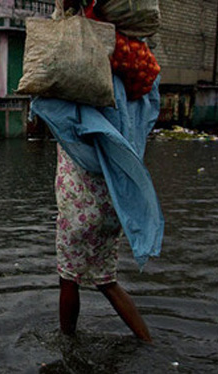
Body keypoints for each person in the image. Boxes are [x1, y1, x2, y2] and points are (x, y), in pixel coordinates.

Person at [33, 0, 163, 343]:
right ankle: (147, 341)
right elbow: (151, 105)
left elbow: (49, 103)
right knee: (106, 280)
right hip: (116, 200)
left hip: (82, 200)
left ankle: (67, 342)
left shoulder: (83, 84)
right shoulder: (135, 83)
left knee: (68, 278)